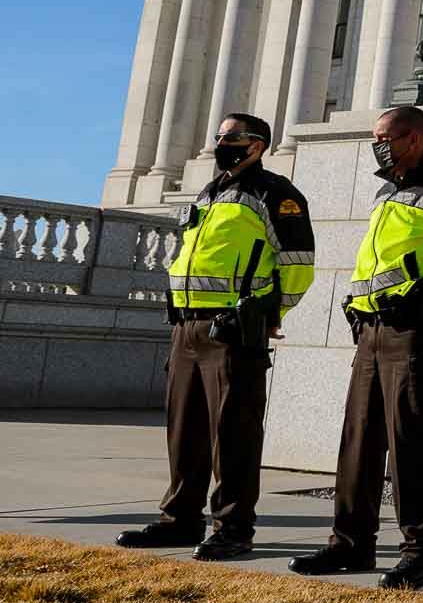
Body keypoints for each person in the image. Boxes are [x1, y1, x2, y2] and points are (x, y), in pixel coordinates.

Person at [288, 105, 423, 590]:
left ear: (416, 140)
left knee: (413, 444)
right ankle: (350, 545)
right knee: (359, 441)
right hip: (371, 332)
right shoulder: (388, 195)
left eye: (386, 136)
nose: (377, 144)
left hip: (417, 333)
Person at [117, 112, 313, 560]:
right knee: (184, 429)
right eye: (219, 136)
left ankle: (233, 528)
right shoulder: (210, 192)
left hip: (232, 329)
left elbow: (299, 264)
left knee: (234, 432)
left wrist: (267, 312)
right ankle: (179, 520)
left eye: (230, 137)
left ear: (256, 145)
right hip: (186, 325)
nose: (220, 143)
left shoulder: (275, 194)